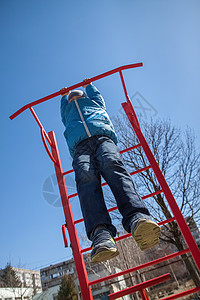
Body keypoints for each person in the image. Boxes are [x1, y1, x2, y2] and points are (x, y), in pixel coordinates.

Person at [60, 79, 161, 264]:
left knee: (112, 164)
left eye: (78, 96)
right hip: (79, 147)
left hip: (102, 138)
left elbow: (97, 96)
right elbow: (62, 110)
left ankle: (137, 217)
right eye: (71, 98)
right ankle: (101, 233)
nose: (74, 99)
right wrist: (63, 96)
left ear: (85, 97)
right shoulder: (67, 112)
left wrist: (88, 86)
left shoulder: (94, 102)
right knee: (85, 178)